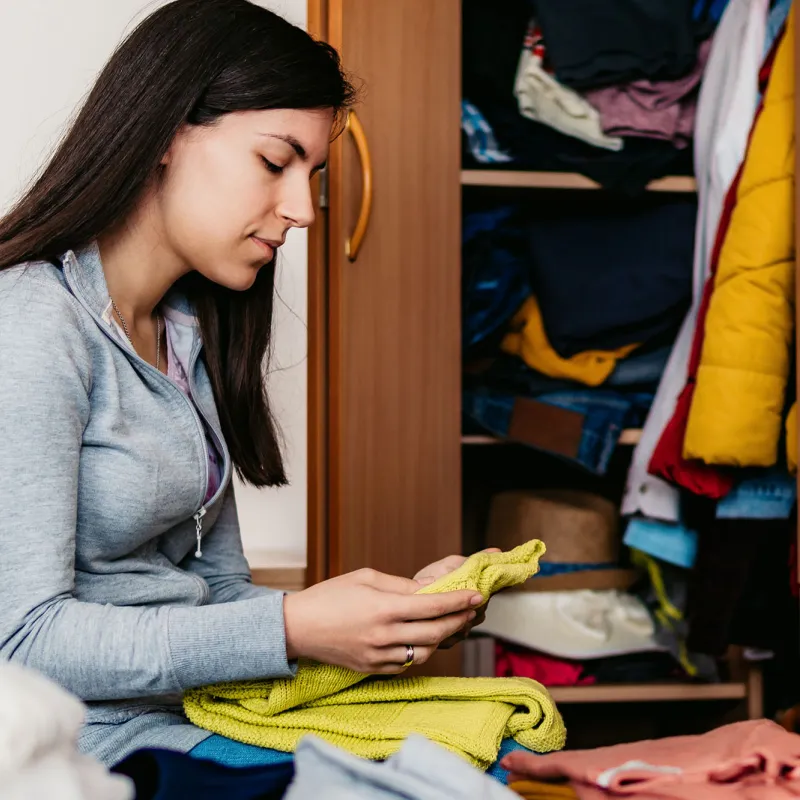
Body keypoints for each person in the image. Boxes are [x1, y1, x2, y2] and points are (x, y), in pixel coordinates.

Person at [0, 0, 487, 768]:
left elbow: (218, 596)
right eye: (274, 161)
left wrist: (384, 616)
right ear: (166, 133)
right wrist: (292, 625)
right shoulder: (33, 323)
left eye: (312, 175)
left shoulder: (189, 333)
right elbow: (20, 641)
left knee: (481, 749)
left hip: (199, 718)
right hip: (95, 749)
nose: (302, 211)